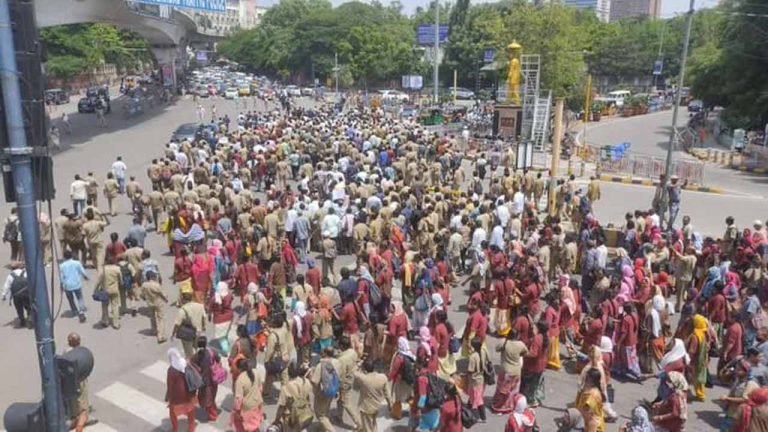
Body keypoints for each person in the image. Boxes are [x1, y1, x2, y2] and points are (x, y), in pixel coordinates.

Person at [492, 329, 528, 413]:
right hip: (516, 371)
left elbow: (497, 348)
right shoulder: (520, 344)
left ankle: (500, 407)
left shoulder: (504, 343)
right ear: (517, 336)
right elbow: (525, 352)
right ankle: (510, 405)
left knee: (502, 389)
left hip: (506, 371)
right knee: (513, 390)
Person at [165, 347, 198, 432]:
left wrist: (168, 396)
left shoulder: (171, 370)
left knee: (172, 412)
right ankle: (191, 429)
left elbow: (170, 385)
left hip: (177, 395)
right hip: (189, 392)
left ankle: (175, 429)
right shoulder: (185, 363)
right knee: (190, 411)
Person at [274, 364, 314, 432]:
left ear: (288, 374)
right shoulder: (306, 382)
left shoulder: (286, 387)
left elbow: (282, 407)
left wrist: (276, 420)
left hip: (291, 417)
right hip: (304, 413)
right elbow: (308, 397)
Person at [353, 358, 390, 432]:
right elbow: (387, 394)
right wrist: (390, 404)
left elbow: (353, 372)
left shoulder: (363, 378)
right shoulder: (383, 377)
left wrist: (358, 365)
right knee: (373, 424)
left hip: (366, 408)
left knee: (367, 428)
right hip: (376, 406)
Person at [190, 336, 221, 421]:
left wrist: (198, 370)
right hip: (214, 379)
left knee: (207, 400)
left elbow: (191, 363)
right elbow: (218, 359)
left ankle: (213, 415)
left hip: (205, 382)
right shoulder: (212, 351)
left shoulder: (197, 355)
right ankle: (213, 411)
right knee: (211, 397)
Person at [310, 346, 340, 432]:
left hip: (322, 392)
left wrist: (310, 375)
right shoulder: (337, 362)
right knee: (326, 410)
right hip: (333, 389)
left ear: (325, 353)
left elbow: (315, 381)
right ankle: (323, 429)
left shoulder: (321, 365)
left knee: (320, 414)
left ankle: (330, 430)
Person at [231, 357, 265, 432]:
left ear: (239, 368)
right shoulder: (256, 372)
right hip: (257, 403)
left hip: (247, 408)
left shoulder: (240, 380)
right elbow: (260, 388)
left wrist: (237, 411)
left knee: (246, 427)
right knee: (255, 425)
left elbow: (238, 399)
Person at [388, 336, 415, 420]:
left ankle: (396, 414)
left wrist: (389, 378)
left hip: (401, 381)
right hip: (410, 380)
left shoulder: (399, 357)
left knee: (398, 398)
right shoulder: (411, 353)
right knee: (410, 396)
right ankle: (414, 410)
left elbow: (394, 370)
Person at [172, 292, 207, 357]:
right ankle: (198, 359)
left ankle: (191, 363)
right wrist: (204, 327)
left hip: (187, 333)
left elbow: (177, 323)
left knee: (189, 352)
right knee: (197, 347)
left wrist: (173, 334)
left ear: (183, 300)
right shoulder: (200, 306)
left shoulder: (183, 309)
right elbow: (204, 317)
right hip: (198, 331)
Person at [59, 250, 89, 323]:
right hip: (76, 284)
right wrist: (86, 277)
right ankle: (81, 311)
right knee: (80, 298)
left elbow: (61, 277)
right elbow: (82, 271)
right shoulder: (77, 263)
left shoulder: (62, 266)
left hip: (67, 285)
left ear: (64, 257)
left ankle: (74, 310)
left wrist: (61, 285)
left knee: (70, 299)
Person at [139, 270, 168, 343]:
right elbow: (162, 293)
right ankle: (160, 336)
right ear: (152, 277)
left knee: (152, 317)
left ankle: (153, 330)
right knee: (161, 319)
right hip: (158, 303)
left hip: (150, 303)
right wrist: (166, 299)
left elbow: (141, 295)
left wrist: (144, 298)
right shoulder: (156, 285)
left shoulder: (144, 285)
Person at [687, 314, 709, 401]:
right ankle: (700, 393)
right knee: (700, 376)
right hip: (702, 358)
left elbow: (692, 350)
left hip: (696, 361)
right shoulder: (703, 334)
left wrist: (688, 360)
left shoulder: (695, 336)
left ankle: (700, 394)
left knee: (697, 377)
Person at [576, 367, 605, 432]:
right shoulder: (587, 388)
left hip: (592, 426)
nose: (584, 379)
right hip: (584, 421)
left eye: (587, 379)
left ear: (593, 381)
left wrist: (574, 417)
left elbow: (587, 411)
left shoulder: (592, 395)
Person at [466, 336, 488, 422]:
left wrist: (465, 375)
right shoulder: (483, 352)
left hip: (475, 380)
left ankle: (483, 417)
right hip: (481, 378)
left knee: (478, 399)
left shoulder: (473, 357)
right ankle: (468, 409)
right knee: (472, 395)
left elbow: (470, 370)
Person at [95, 262, 121, 330]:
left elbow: (99, 280)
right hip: (115, 290)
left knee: (104, 306)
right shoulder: (117, 269)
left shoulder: (103, 269)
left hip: (105, 291)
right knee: (115, 306)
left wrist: (95, 289)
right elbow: (120, 279)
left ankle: (105, 321)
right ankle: (116, 323)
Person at [209, 281, 234, 353]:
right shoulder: (229, 295)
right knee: (226, 333)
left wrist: (209, 316)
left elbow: (210, 308)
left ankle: (225, 350)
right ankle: (225, 342)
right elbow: (231, 298)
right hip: (229, 317)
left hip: (219, 320)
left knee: (221, 338)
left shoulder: (214, 299)